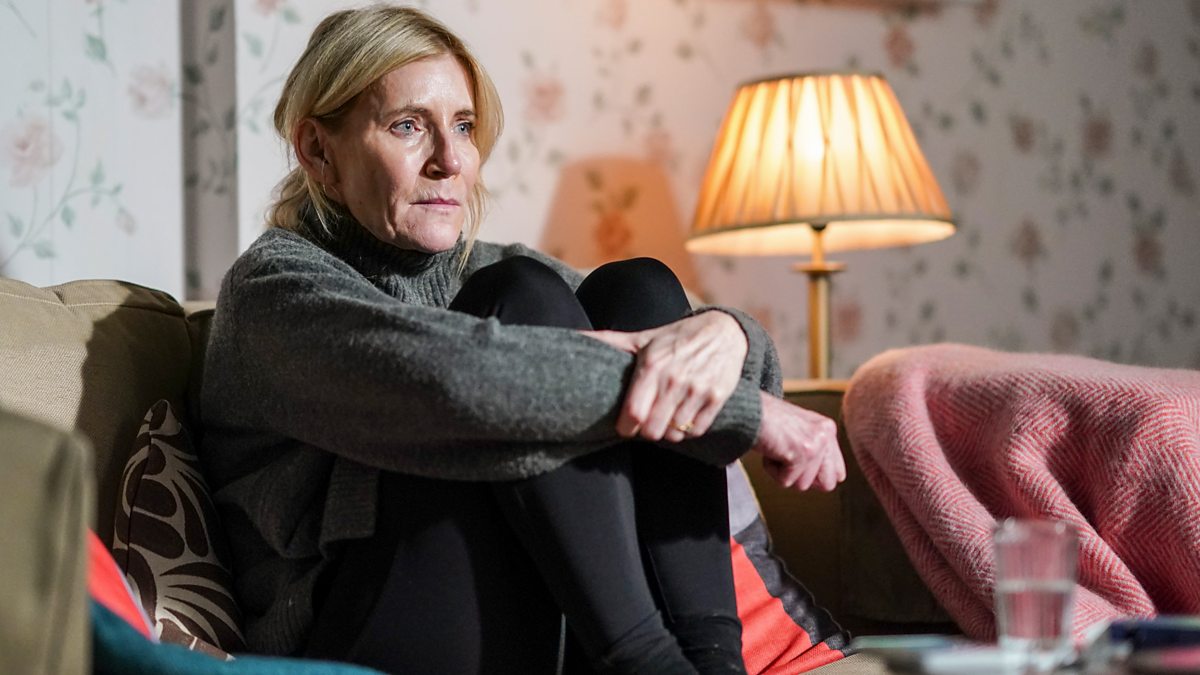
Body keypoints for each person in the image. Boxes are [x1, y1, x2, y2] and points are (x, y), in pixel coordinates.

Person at [199, 5, 845, 675]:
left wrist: (728, 331)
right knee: (524, 299)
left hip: (536, 625)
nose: (451, 160)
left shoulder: (476, 265)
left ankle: (714, 663)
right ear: (317, 150)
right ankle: (649, 664)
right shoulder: (275, 288)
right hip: (358, 623)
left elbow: (716, 353)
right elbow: (459, 382)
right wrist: (742, 412)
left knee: (641, 288)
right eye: (408, 126)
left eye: (464, 126)